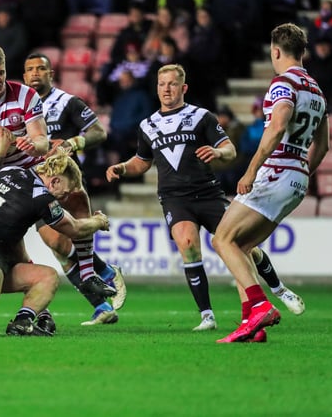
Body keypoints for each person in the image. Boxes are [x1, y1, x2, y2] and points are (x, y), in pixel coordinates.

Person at [105, 63, 306, 333]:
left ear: (183, 88)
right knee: (188, 244)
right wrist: (122, 168)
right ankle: (207, 316)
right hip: (174, 197)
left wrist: (218, 152)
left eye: (172, 84)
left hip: (208, 193)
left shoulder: (201, 117)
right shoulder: (147, 125)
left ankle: (279, 289)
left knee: (243, 245)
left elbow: (230, 149)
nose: (166, 89)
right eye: (162, 84)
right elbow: (142, 162)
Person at [0, 44, 116, 332]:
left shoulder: (25, 95)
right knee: (21, 258)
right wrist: (1, 150)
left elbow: (42, 140)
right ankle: (38, 313)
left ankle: (88, 272)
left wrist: (30, 142)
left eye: (1, 73)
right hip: (1, 185)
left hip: (35, 175)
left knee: (73, 200)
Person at [211, 23, 329, 343]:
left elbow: (277, 126)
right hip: (296, 179)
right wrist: (302, 173)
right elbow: (324, 144)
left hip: (275, 171)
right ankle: (253, 325)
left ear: (275, 51)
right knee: (244, 246)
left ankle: (260, 306)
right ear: (302, 52)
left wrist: (250, 172)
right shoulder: (316, 90)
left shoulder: (283, 83)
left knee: (221, 240)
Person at [0, 148, 111, 337]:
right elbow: (75, 229)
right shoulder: (43, 198)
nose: (63, 198)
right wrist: (98, 222)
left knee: (47, 277)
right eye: (65, 192)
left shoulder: (9, 172)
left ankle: (23, 322)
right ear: (54, 181)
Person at [22, 52, 127, 325]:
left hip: (68, 184)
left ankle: (103, 275)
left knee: (61, 241)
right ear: (23, 77)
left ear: (50, 74)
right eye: (30, 69)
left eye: (40, 69)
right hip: (38, 184)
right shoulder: (19, 108)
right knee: (57, 246)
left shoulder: (66, 102)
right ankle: (102, 303)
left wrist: (72, 143)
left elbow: (98, 132)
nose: (35, 73)